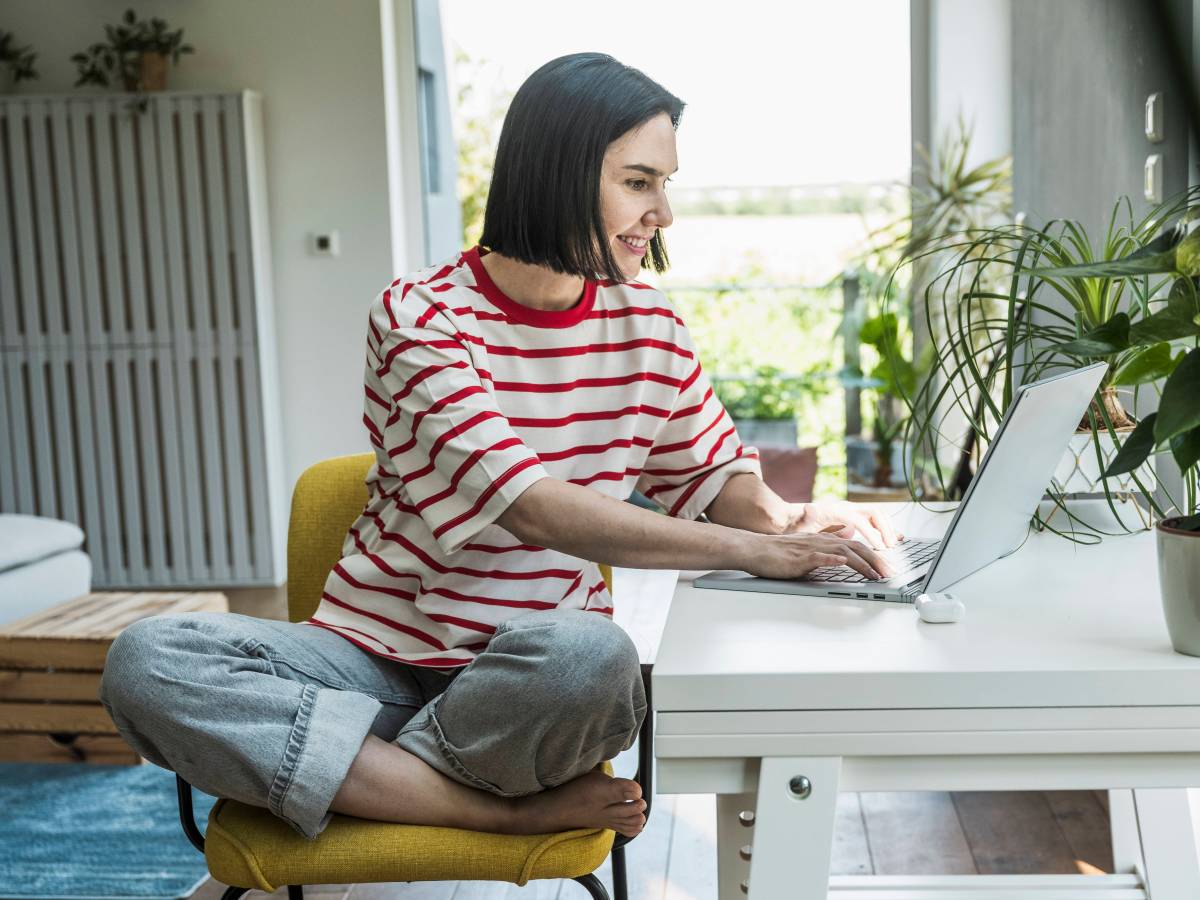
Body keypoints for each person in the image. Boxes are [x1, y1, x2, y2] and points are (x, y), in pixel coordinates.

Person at [99, 52, 897, 844]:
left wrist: (797, 524)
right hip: (369, 666)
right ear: (558, 170)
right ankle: (489, 809)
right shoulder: (421, 318)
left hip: (531, 680)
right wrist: (757, 555)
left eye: (666, 185)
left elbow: (715, 478)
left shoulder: (649, 329)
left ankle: (353, 772)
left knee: (596, 658)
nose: (664, 214)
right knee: (150, 659)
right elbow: (533, 508)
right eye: (639, 181)